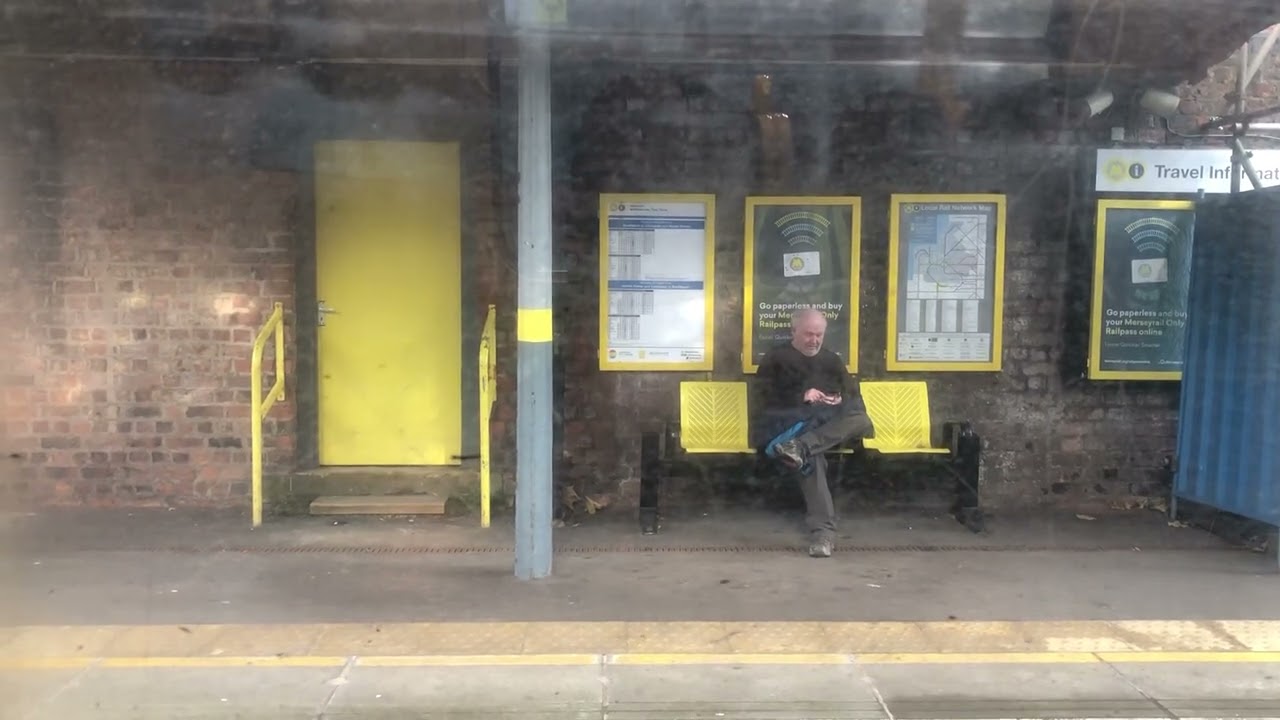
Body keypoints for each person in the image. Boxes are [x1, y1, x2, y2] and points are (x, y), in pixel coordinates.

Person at [752, 308, 874, 558]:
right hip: (787, 426)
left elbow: (853, 396)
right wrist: (801, 397)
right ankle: (823, 535)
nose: (814, 340)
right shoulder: (776, 359)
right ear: (793, 331)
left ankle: (803, 446)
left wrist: (836, 400)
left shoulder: (832, 360)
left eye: (819, 335)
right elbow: (761, 401)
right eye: (808, 334)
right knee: (811, 459)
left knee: (860, 419)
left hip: (823, 426)